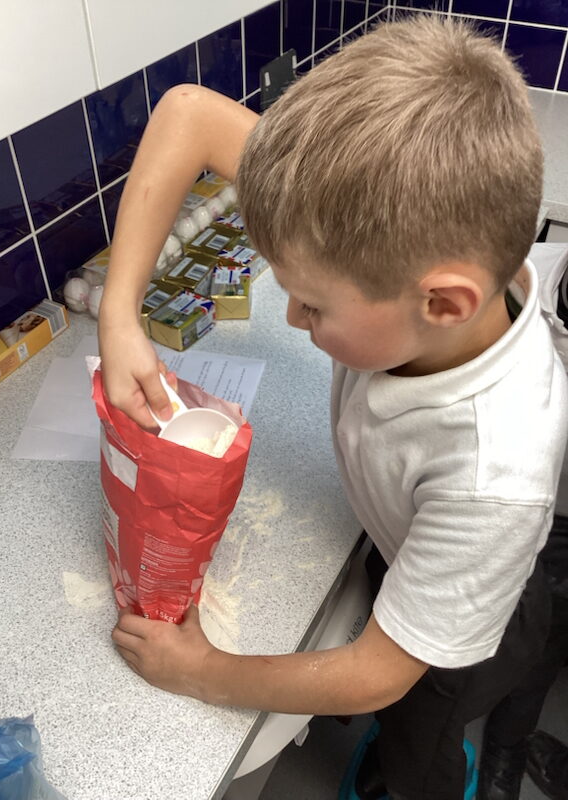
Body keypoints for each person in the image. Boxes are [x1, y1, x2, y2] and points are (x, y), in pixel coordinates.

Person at [100, 16, 568, 800]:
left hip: (468, 641)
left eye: (313, 305)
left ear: (443, 304)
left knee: (419, 738)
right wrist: (119, 316)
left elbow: (376, 674)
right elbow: (189, 113)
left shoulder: (492, 474)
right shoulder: (394, 227)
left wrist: (203, 670)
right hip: (411, 546)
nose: (291, 319)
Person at [477, 246, 568, 800]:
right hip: (510, 500)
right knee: (524, 629)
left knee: (548, 639)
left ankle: (510, 744)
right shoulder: (515, 278)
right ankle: (423, 740)